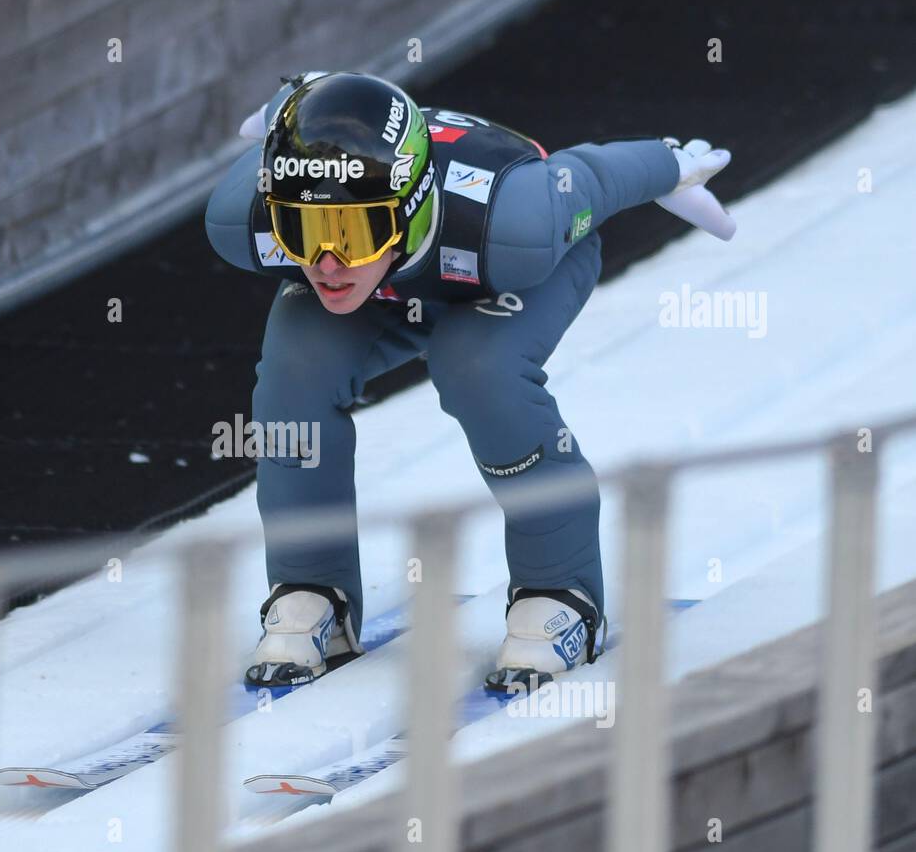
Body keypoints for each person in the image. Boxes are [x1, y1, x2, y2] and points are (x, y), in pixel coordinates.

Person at [204, 71, 734, 689]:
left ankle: (560, 591)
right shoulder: (243, 221)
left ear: (412, 206)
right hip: (393, 282)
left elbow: (587, 175)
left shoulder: (516, 223)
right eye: (303, 230)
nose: (327, 262)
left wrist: (666, 164)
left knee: (477, 366)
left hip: (504, 268)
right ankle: (310, 585)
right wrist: (290, 103)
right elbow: (296, 126)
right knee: (292, 377)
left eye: (353, 232)